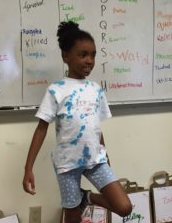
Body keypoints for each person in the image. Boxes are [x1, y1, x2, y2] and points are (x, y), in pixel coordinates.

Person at [22, 21, 132, 223]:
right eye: (82, 55)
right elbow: (41, 129)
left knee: (124, 207)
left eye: (93, 55)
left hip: (95, 161)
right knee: (72, 217)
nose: (89, 60)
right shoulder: (57, 90)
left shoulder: (96, 89)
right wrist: (28, 169)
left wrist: (105, 156)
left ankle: (87, 197)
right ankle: (80, 199)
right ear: (66, 56)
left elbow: (95, 127)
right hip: (67, 164)